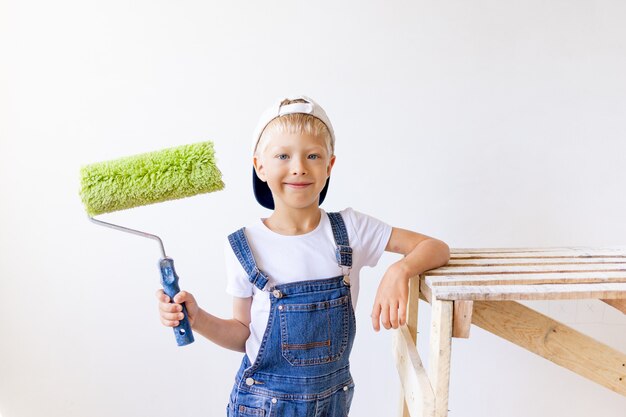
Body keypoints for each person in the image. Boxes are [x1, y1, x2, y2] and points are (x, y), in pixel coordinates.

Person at [156, 96, 450, 416]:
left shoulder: (351, 230)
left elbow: (436, 247)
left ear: (329, 166)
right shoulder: (245, 246)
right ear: (260, 165)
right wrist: (197, 318)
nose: (298, 167)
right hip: (260, 407)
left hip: (330, 406)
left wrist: (400, 270)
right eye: (283, 155)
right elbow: (243, 332)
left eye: (312, 155)